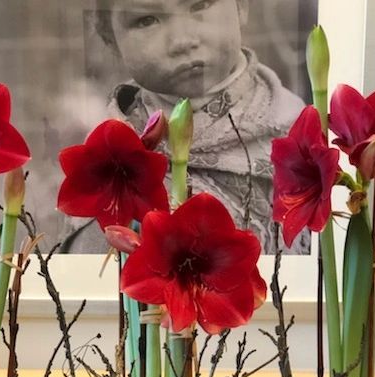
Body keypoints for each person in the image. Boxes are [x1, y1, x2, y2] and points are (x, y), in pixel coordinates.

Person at [62, 0, 308, 255]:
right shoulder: (103, 168)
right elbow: (88, 283)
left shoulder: (301, 133)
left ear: (241, 6)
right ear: (112, 41)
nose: (182, 40)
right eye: (146, 20)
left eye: (200, 4)